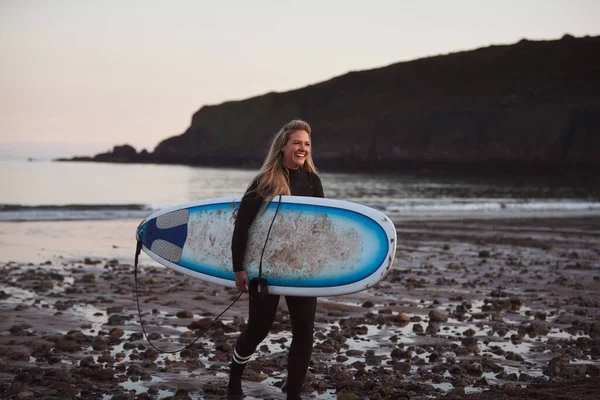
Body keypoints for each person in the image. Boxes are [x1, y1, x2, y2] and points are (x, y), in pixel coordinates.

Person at [228, 119, 325, 400]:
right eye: (297, 142)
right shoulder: (265, 182)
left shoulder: (312, 181)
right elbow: (242, 226)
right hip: (265, 268)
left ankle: (293, 395)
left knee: (304, 332)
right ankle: (234, 381)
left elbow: (320, 227)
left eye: (306, 144)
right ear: (283, 146)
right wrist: (239, 268)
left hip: (300, 269)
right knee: (258, 329)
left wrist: (321, 268)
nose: (302, 148)